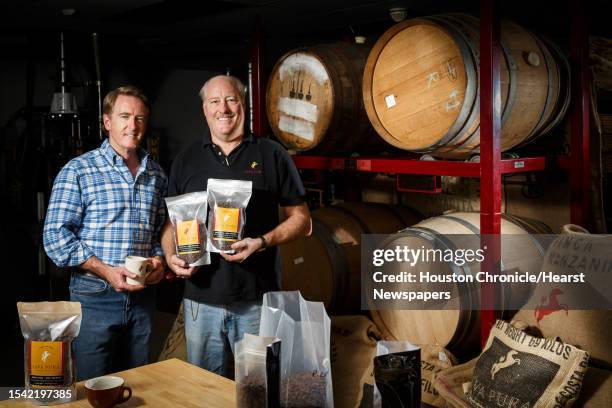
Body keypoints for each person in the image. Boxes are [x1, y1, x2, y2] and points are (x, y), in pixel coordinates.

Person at [161, 74, 310, 377]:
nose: (223, 109)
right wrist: (170, 256)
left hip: (256, 299)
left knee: (258, 387)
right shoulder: (185, 160)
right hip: (200, 301)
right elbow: (169, 227)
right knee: (203, 389)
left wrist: (263, 241)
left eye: (231, 100)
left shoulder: (271, 154)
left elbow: (303, 221)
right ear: (205, 109)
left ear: (244, 105)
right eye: (214, 102)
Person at [43, 85, 167, 380]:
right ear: (107, 121)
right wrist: (104, 270)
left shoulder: (156, 174)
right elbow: (55, 236)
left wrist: (160, 262)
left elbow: (161, 231)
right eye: (124, 116)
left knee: (139, 383)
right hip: (94, 296)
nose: (132, 125)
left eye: (139, 118)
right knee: (93, 385)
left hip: (142, 299)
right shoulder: (79, 170)